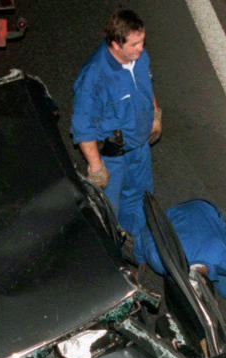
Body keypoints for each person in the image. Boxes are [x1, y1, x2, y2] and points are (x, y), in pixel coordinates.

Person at [71, 9, 161, 248]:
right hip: (113, 158)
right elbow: (83, 127)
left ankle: (138, 240)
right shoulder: (94, 77)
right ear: (115, 44)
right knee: (109, 209)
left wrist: (155, 114)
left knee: (141, 197)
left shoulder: (139, 57)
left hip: (139, 147)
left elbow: (146, 85)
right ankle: (113, 251)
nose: (141, 48)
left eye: (142, 41)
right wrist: (96, 166)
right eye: (134, 44)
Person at [136, 199, 226, 333]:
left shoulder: (223, 257)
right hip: (175, 214)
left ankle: (222, 232)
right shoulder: (158, 258)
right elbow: (142, 238)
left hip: (204, 209)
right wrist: (139, 272)